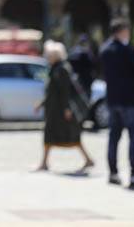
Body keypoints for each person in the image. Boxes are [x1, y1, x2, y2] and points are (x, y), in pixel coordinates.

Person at [99, 18, 134, 189]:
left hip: (113, 99)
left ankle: (113, 172)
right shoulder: (128, 50)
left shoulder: (104, 50)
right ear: (122, 31)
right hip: (130, 100)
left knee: (114, 137)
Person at [36, 40, 94, 172]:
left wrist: (67, 108)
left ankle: (88, 159)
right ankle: (44, 162)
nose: (47, 57)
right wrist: (41, 103)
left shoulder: (62, 69)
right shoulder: (54, 68)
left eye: (49, 55)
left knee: (72, 135)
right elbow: (52, 91)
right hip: (54, 109)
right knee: (50, 135)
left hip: (60, 109)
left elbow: (65, 91)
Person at [68, 35, 98, 99]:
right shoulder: (86, 52)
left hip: (75, 79)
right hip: (85, 79)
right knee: (86, 98)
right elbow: (93, 64)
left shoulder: (72, 51)